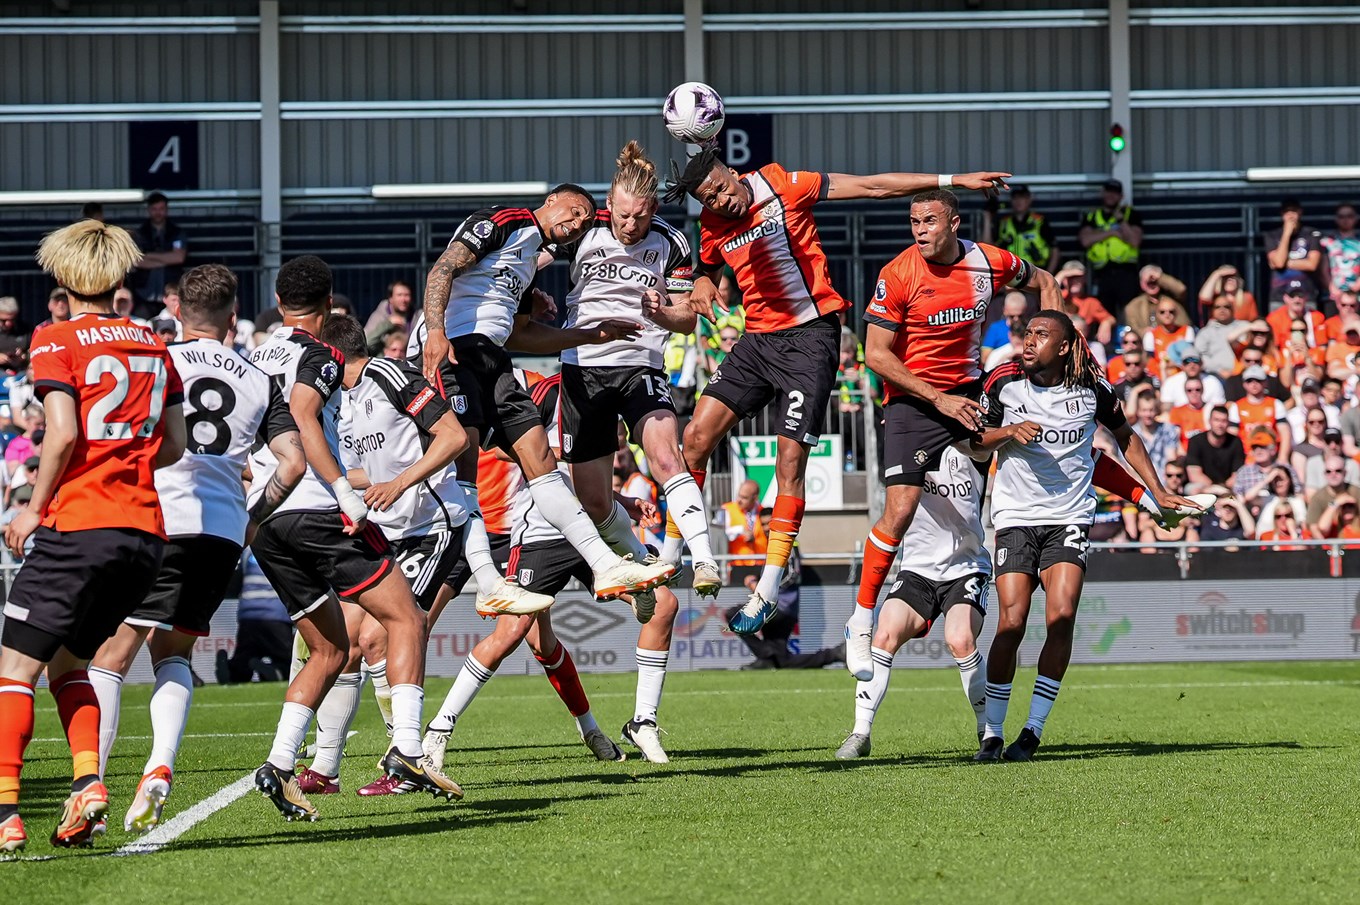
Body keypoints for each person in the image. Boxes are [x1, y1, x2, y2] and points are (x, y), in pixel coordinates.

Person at [661, 146, 1012, 634]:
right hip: (757, 341)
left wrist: (954, 177)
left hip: (810, 339)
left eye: (722, 187)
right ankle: (675, 554)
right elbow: (706, 272)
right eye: (709, 199)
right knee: (694, 439)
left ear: (733, 173)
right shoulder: (713, 227)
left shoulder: (785, 184)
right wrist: (701, 282)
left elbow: (872, 185)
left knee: (788, 464)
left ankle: (767, 588)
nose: (722, 201)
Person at [82, 264, 304, 833]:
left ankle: (91, 792)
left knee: (110, 657)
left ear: (176, 310)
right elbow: (293, 463)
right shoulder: (260, 377)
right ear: (234, 319)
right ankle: (159, 767)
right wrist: (251, 517)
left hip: (159, 521)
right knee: (173, 655)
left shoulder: (159, 360)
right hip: (222, 532)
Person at [247, 256, 460, 822]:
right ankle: (410, 752)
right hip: (317, 512)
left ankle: (280, 762)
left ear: (276, 295)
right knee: (405, 620)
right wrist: (342, 490)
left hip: (267, 521)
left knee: (330, 648)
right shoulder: (317, 355)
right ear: (328, 304)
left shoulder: (246, 358)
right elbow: (305, 416)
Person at [0, 220, 187, 854]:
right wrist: (124, 462)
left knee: (12, 670)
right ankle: (87, 785)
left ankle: (5, 814)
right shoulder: (152, 341)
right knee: (68, 664)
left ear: (63, 277)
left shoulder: (54, 338)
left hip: (78, 524)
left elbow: (61, 433)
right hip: (144, 536)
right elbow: (176, 445)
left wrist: (32, 507)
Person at [417, 184, 675, 611]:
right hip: (454, 351)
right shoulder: (502, 221)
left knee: (542, 459)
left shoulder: (529, 262)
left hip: (493, 358)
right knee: (463, 466)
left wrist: (594, 334)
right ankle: (486, 580)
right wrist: (436, 332)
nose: (575, 225)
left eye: (583, 223)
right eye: (574, 212)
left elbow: (522, 334)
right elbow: (442, 270)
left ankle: (605, 563)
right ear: (552, 200)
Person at [843, 188, 1060, 680]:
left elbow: (1044, 279)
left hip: (966, 392)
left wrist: (1058, 343)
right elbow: (876, 355)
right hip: (913, 401)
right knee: (898, 511)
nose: (919, 230)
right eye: (913, 221)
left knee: (1027, 445)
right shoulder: (897, 274)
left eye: (929, 221)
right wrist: (937, 399)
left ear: (955, 223)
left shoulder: (988, 262)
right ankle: (860, 620)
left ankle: (1036, 545)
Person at [423, 369, 682, 767]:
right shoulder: (544, 392)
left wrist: (619, 500)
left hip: (594, 526)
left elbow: (584, 473)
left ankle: (642, 721)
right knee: (515, 632)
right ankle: (438, 731)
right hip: (541, 532)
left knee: (664, 604)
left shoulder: (609, 395)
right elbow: (524, 453)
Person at [969, 310, 1191, 762]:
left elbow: (1125, 437)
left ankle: (1031, 731)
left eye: (1041, 335)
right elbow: (974, 442)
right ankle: (992, 732)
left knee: (1062, 616)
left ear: (1065, 345)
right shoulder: (1002, 382)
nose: (1029, 341)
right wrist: (1008, 432)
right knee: (1011, 622)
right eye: (1027, 333)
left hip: (1069, 516)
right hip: (1014, 516)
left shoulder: (1091, 388)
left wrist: (1157, 491)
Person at [287, 314, 475, 797]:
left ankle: (408, 756)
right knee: (342, 640)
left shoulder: (390, 375)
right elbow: (365, 474)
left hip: (429, 526)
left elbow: (454, 438)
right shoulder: (341, 404)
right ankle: (327, 769)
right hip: (384, 530)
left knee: (379, 636)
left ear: (331, 355)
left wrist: (401, 482)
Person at [545, 142, 721, 601]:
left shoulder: (671, 242)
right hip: (583, 368)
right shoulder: (581, 232)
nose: (630, 225)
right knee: (595, 501)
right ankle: (642, 569)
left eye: (639, 216)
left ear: (654, 209)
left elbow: (687, 317)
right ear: (608, 205)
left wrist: (661, 315)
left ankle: (704, 558)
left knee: (667, 458)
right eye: (622, 215)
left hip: (641, 363)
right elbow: (528, 258)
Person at [835, 446, 990, 760]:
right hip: (917, 569)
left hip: (966, 568)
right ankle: (860, 732)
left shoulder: (969, 445)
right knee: (883, 637)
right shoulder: (908, 444)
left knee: (960, 640)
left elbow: (983, 446)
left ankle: (988, 731)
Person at [218, 552, 294, 684]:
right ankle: (276, 672)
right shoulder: (285, 547)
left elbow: (236, 580)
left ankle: (233, 672)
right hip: (276, 613)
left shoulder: (249, 550)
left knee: (245, 655)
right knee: (287, 659)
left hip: (249, 612)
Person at [1079, 179, 1143, 314]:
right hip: (1102, 273)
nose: (1111, 195)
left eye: (1115, 193)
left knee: (1130, 312)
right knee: (1103, 313)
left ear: (1121, 196)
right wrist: (1113, 233)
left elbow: (1135, 241)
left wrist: (1121, 221)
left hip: (1126, 272)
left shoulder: (1130, 215)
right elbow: (1085, 240)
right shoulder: (1092, 216)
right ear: (1103, 193)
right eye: (1108, 192)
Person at [130, 192, 188, 311]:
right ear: (149, 210)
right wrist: (167, 258)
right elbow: (136, 261)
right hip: (144, 294)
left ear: (167, 210)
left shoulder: (177, 232)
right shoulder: (139, 234)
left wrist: (149, 256)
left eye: (161, 208)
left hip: (171, 293)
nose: (158, 212)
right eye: (154, 209)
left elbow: (179, 257)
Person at [982, 183, 1058, 272]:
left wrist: (1048, 276)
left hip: (1036, 273)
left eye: (1022, 197)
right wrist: (987, 218)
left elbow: (1055, 250)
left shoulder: (1040, 221)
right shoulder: (1003, 223)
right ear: (1011, 200)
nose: (1018, 201)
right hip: (1009, 274)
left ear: (1029, 199)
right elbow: (987, 247)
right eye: (1015, 197)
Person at [1263, 199, 1324, 306]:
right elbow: (1279, 262)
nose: (1290, 215)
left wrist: (1285, 263)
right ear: (1282, 214)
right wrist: (1286, 233)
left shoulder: (1311, 233)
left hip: (1306, 295)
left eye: (1294, 211)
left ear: (1300, 212)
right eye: (1287, 212)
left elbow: (1312, 264)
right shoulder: (1271, 235)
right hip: (1279, 296)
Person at [1228, 368, 1290, 457]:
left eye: (1258, 380)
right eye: (1249, 381)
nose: (1254, 384)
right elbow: (1231, 437)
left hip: (1271, 455)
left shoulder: (1276, 404)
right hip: (1246, 456)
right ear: (1244, 384)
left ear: (1265, 383)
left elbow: (1285, 434)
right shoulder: (1236, 407)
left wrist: (1282, 457)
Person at [1054, 261, 1115, 345]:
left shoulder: (1091, 302)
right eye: (1070, 277)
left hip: (1082, 344)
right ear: (1064, 280)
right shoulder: (1058, 297)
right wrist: (1062, 274)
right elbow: (1050, 290)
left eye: (1078, 277)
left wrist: (1106, 323)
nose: (1075, 281)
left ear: (1085, 279)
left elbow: (1110, 318)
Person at [1195, 294, 1253, 377]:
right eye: (1217, 307)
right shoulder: (1205, 332)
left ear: (1233, 309)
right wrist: (1219, 370)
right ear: (1212, 311)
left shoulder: (1244, 326)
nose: (1222, 310)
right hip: (1215, 375)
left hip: (1245, 375)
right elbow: (1200, 355)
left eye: (1226, 307)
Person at [717, 479, 766, 577]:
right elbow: (719, 534)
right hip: (737, 565)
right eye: (739, 495)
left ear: (755, 498)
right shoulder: (727, 510)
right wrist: (740, 530)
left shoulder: (764, 511)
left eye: (744, 497)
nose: (739, 500)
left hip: (761, 565)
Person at [1123, 265, 1189, 334]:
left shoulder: (1173, 298)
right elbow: (1132, 333)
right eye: (1148, 282)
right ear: (1141, 283)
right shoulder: (1133, 306)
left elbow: (1181, 289)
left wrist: (1160, 277)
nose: (1151, 279)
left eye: (1155, 281)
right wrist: (1144, 333)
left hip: (1176, 339)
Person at [1130, 390, 1182, 477]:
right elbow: (1131, 468)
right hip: (1141, 482)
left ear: (1156, 411)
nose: (1148, 414)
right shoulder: (1131, 434)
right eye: (1144, 410)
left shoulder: (1168, 430)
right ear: (1138, 411)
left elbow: (1171, 460)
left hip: (1165, 481)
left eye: (1151, 410)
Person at [1305, 455, 1360, 535]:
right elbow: (1318, 528)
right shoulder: (1318, 497)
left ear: (1345, 473)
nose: (1333, 474)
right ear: (1324, 474)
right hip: (1330, 542)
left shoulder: (1356, 492)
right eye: (1328, 471)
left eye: (1338, 471)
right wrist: (1336, 503)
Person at [1267, 280, 1326, 353]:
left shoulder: (1317, 317)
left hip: (1310, 357)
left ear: (1306, 297)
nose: (1297, 299)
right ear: (1285, 298)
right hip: (1284, 359)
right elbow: (1273, 348)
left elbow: (1322, 347)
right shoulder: (1274, 318)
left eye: (1300, 295)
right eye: (1292, 295)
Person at [1161, 344, 1224, 409]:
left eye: (1195, 360)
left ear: (1201, 363)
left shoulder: (1213, 382)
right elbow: (1166, 411)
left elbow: (1219, 409)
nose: (1192, 365)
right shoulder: (1171, 383)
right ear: (1182, 365)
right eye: (1187, 361)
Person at [1143, 302, 1195, 381]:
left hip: (1182, 376)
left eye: (1171, 312)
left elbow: (1190, 358)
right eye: (1162, 312)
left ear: (1177, 313)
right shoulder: (1151, 335)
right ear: (1157, 314)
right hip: (1159, 376)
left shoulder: (1187, 330)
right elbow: (1149, 361)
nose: (1167, 315)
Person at [363, 280, 416, 352]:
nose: (403, 299)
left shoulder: (416, 316)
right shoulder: (379, 316)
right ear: (390, 298)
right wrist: (388, 324)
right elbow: (366, 343)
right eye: (399, 295)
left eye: (406, 295)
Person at [1322, 203, 1360, 300]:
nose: (1345, 220)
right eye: (1341, 216)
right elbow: (1323, 269)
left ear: (1355, 218)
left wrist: (1356, 286)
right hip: (1332, 296)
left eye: (1349, 216)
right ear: (1336, 219)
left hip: (1356, 296)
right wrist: (1331, 288)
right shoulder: (1327, 242)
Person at [981, 291, 1029, 358]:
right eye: (1012, 316)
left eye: (1020, 316)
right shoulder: (995, 329)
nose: (1016, 319)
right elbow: (984, 358)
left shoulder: (1030, 328)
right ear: (1005, 311)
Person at [1167, 377, 1211, 451]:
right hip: (1186, 454)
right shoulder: (1177, 411)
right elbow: (1175, 439)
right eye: (1189, 390)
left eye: (1197, 389)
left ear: (1203, 391)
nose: (1194, 393)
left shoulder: (1210, 409)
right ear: (1185, 392)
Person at [0, 297, 31, 376]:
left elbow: (35, 352)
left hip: (20, 373)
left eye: (12, 320)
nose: (8, 323)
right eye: (3, 320)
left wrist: (23, 357)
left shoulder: (25, 330)